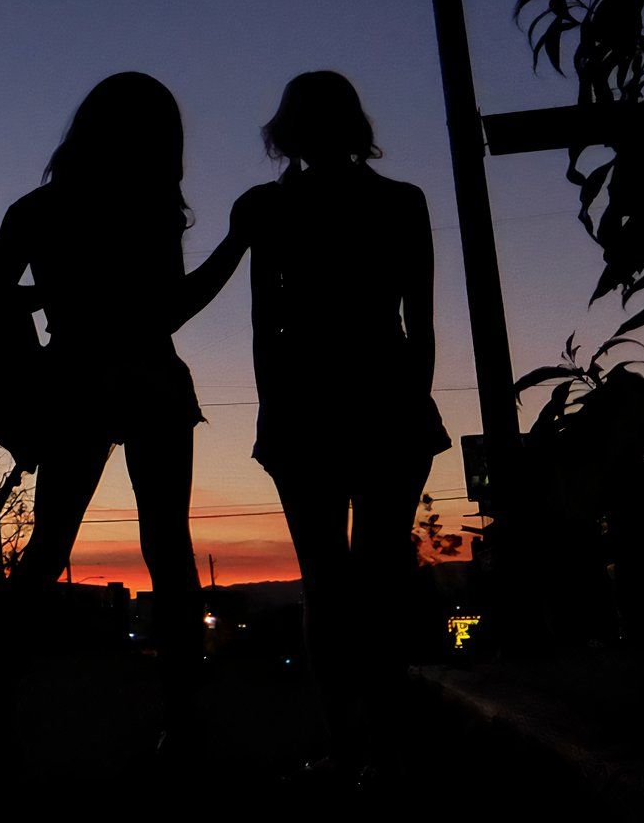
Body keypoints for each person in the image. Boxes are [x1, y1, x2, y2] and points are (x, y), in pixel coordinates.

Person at [189, 70, 449, 785]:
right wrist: (412, 400)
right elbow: (417, 323)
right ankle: (385, 749)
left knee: (327, 586)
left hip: (305, 409)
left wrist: (274, 410)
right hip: (383, 400)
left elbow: (262, 327)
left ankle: (344, 745)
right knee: (376, 583)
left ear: (287, 132)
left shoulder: (270, 208)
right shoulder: (400, 202)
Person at [0, 71, 215, 749]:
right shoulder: (148, 208)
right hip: (151, 380)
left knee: (48, 546)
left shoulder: (35, 210)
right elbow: (169, 308)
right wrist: (234, 246)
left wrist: (42, 301)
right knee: (168, 549)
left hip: (76, 380)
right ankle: (181, 716)